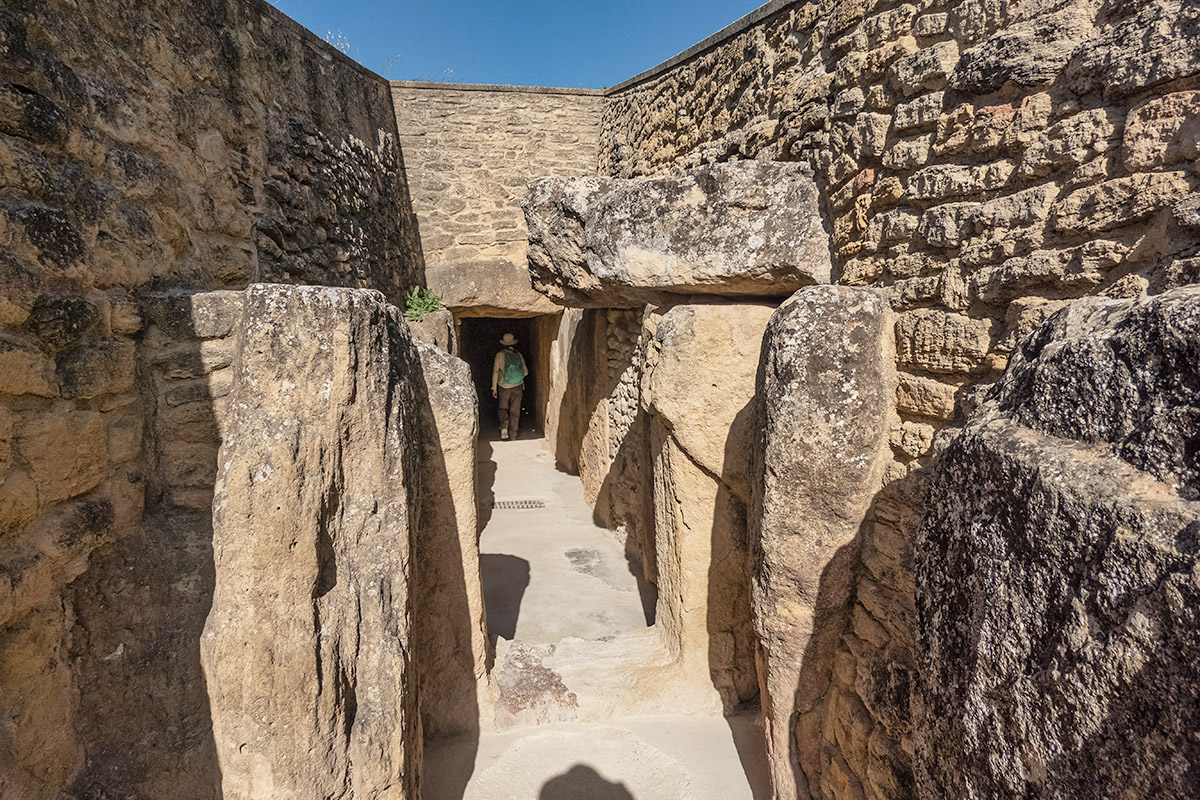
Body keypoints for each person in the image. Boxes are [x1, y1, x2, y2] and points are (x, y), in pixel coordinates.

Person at [491, 332, 528, 440]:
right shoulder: (518, 354)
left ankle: (504, 428)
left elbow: (495, 371)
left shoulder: (500, 354)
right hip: (518, 386)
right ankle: (513, 433)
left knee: (503, 408)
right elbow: (525, 371)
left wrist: (494, 387)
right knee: (515, 410)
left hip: (504, 386)